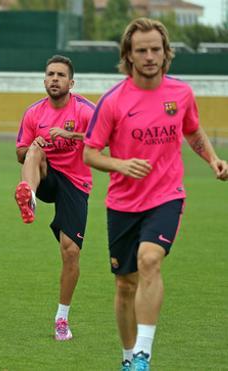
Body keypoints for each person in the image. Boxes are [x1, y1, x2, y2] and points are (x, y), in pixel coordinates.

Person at [83, 18, 228, 370]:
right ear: (128, 56)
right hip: (123, 202)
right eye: (141, 50)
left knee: (150, 260)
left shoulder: (181, 94)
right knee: (124, 284)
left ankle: (144, 354)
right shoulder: (113, 101)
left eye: (155, 49)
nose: (149, 56)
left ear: (166, 53)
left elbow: (192, 131)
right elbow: (89, 153)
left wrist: (213, 159)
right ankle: (128, 358)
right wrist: (120, 165)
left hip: (166, 195)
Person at [14, 55, 96, 341]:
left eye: (61, 75)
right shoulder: (34, 113)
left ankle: (62, 318)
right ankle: (29, 197)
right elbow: (20, 154)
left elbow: (105, 140)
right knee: (34, 151)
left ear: (71, 82)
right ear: (44, 79)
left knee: (70, 251)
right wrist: (35, 146)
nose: (54, 79)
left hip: (75, 182)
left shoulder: (86, 109)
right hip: (46, 174)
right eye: (50, 74)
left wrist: (71, 135)